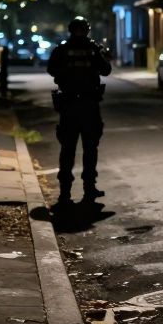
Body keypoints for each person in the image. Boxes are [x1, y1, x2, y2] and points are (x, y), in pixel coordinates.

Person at [47, 16, 112, 205]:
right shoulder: (93, 49)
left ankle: (65, 193)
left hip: (68, 106)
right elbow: (106, 70)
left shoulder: (62, 50)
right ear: (87, 30)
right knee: (90, 149)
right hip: (89, 106)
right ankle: (89, 189)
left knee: (68, 149)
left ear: (70, 29)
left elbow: (51, 70)